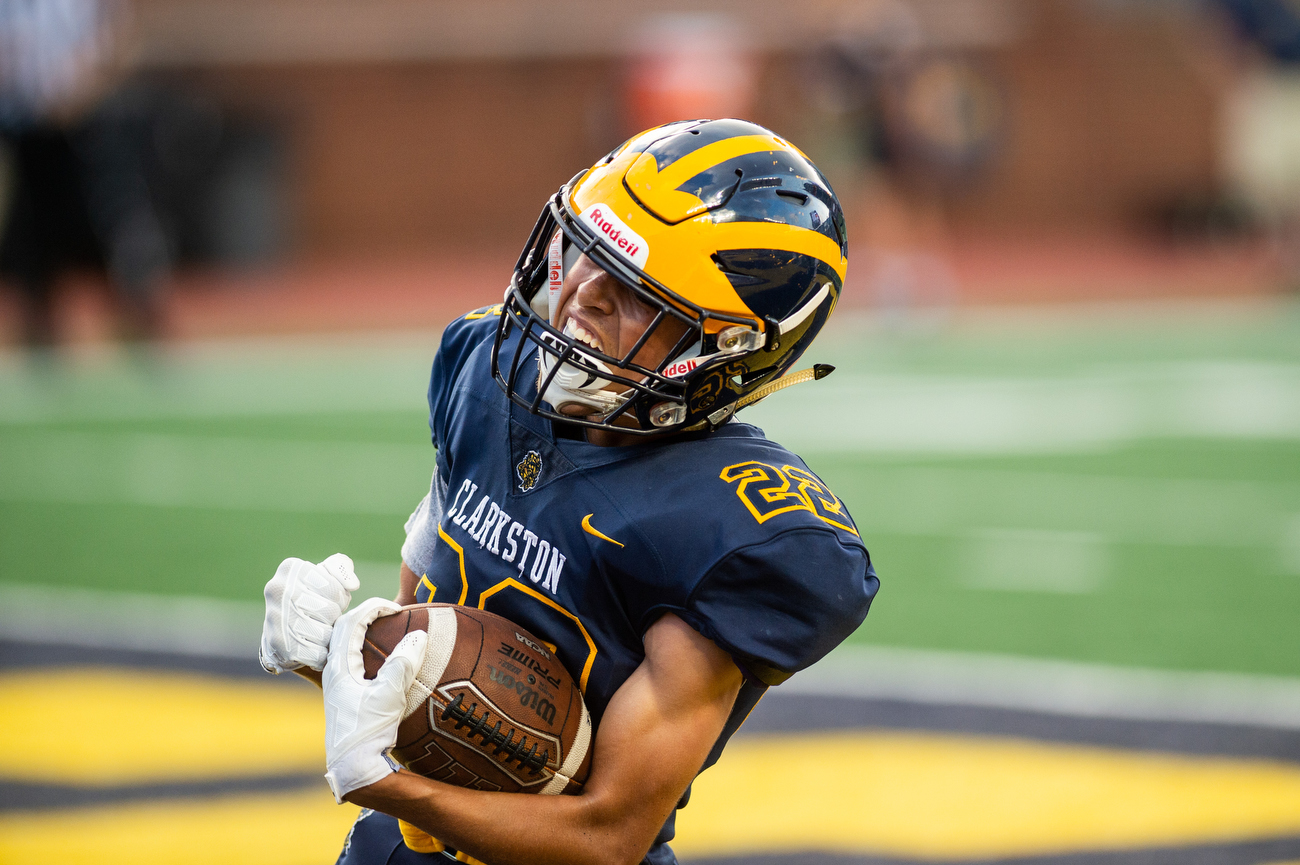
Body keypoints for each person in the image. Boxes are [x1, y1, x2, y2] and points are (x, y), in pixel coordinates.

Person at [259, 118, 879, 865]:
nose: (581, 295)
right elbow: (432, 639)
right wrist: (339, 649)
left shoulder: (736, 530)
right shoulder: (486, 371)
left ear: (727, 351)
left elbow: (610, 835)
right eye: (583, 253)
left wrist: (387, 786)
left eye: (633, 295)